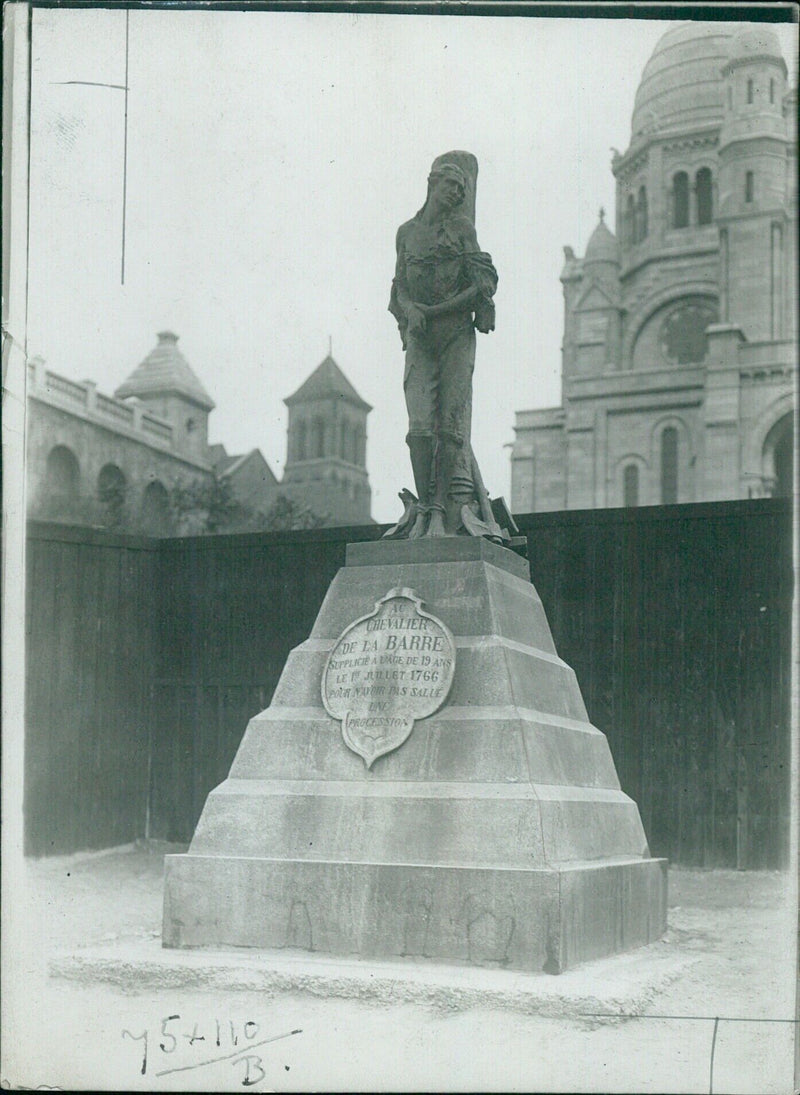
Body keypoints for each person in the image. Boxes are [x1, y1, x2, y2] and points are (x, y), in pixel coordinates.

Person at [388, 157, 498, 538]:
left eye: (462, 190)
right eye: (451, 185)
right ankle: (424, 503)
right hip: (420, 337)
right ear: (433, 183)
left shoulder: (463, 229)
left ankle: (440, 512)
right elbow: (398, 283)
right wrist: (409, 308)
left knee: (451, 427)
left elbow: (481, 281)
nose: (457, 193)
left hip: (454, 334)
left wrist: (436, 310)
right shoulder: (406, 232)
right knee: (419, 427)